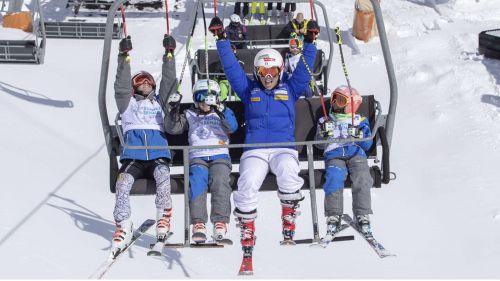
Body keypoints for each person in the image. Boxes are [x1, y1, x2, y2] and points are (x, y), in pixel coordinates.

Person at [208, 16, 320, 251]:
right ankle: (247, 230)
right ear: (257, 72)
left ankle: (288, 217)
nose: (267, 76)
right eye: (262, 70)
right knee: (247, 181)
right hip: (255, 150)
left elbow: (304, 70)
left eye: (272, 70)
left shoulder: (290, 88)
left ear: (279, 70)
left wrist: (309, 41)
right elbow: (231, 68)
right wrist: (221, 39)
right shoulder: (249, 90)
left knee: (289, 170)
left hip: (283, 148)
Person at [110, 34, 177, 254]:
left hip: (157, 155)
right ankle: (123, 224)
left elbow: (169, 84)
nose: (145, 83)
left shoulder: (160, 102)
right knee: (122, 183)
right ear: (134, 87)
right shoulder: (127, 104)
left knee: (163, 178)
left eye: (149, 81)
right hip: (134, 156)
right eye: (140, 81)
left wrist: (169, 56)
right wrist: (124, 56)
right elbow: (120, 86)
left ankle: (163, 218)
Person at [164, 79, 238, 243]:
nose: (204, 102)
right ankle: (198, 223)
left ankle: (220, 221)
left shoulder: (222, 112)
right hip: (198, 156)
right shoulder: (189, 113)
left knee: (220, 181)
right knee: (197, 182)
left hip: (219, 155)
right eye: (200, 96)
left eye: (209, 97)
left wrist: (220, 109)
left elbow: (232, 127)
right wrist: (174, 110)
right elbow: (173, 128)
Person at [315, 86, 374, 241]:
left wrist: (359, 135)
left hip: (356, 154)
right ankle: (333, 215)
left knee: (362, 177)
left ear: (350, 105)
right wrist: (324, 135)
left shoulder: (360, 121)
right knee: (334, 177)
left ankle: (362, 214)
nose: (334, 103)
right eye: (334, 98)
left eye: (340, 100)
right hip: (334, 155)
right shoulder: (325, 120)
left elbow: (368, 145)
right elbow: (318, 145)